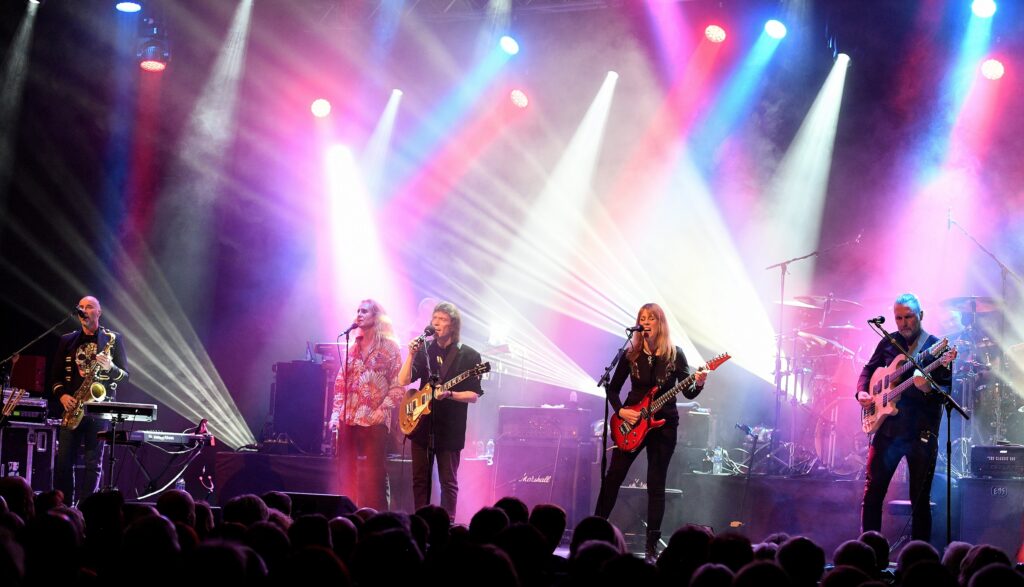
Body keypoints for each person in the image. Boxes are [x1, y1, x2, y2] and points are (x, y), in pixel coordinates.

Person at [594, 302, 708, 561]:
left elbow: (688, 392)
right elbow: (612, 389)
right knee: (613, 477)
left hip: (663, 425)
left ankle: (651, 548)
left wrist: (699, 383)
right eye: (642, 318)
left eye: (650, 318)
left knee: (656, 484)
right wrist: (622, 411)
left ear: (660, 323)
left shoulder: (675, 354)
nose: (645, 322)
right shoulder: (631, 354)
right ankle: (596, 533)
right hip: (632, 423)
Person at [856, 293, 953, 542]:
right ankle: (869, 551)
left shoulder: (936, 348)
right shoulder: (889, 341)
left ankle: (919, 557)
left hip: (921, 432)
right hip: (887, 429)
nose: (903, 323)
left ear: (920, 315)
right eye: (898, 318)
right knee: (873, 493)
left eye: (908, 317)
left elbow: (945, 392)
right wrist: (862, 391)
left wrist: (927, 388)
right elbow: (868, 368)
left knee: (919, 500)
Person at [397, 301, 483, 518]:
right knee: (419, 479)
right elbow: (403, 380)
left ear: (453, 325)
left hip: (450, 429)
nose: (436, 323)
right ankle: (420, 521)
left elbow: (473, 395)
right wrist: (410, 354)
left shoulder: (469, 356)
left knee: (448, 482)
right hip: (421, 426)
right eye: (434, 318)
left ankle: (448, 524)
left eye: (442, 319)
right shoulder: (424, 349)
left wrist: (450, 394)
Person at [50, 295, 129, 503]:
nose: (84, 310)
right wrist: (62, 395)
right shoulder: (67, 340)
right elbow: (55, 377)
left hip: (99, 411)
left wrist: (110, 368)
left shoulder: (113, 339)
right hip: (72, 408)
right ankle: (65, 506)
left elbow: (125, 377)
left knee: (94, 464)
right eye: (81, 307)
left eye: (89, 307)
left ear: (99, 312)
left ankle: (86, 508)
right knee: (63, 464)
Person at [330, 299, 403, 511]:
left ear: (376, 317)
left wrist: (383, 409)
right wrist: (336, 415)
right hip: (349, 418)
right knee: (346, 471)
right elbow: (340, 383)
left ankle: (378, 516)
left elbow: (398, 385)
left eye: (365, 311)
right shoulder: (352, 347)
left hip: (374, 420)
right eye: (358, 311)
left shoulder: (390, 348)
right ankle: (348, 514)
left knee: (375, 474)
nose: (359, 314)